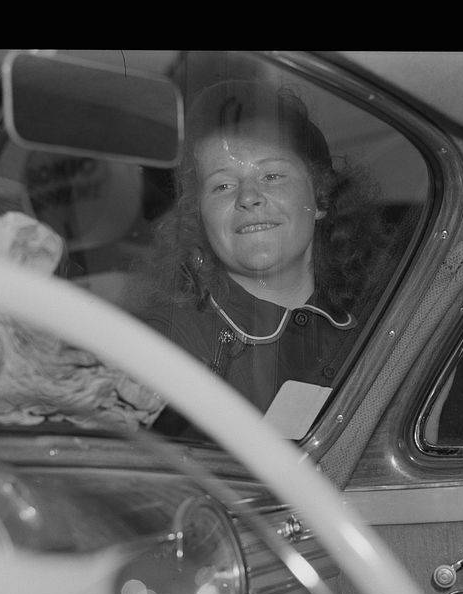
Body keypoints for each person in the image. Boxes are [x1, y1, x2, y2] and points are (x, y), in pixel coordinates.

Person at [132, 80, 398, 425]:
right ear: (198, 218)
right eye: (222, 185)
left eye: (272, 175)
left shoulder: (383, 333)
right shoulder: (163, 343)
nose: (248, 197)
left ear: (320, 200)